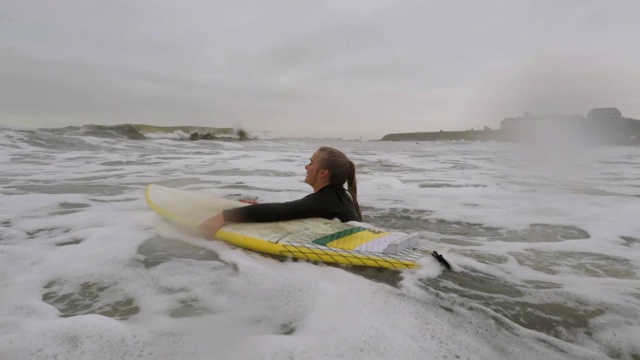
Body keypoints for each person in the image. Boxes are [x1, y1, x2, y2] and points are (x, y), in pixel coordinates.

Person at [199, 146, 362, 239]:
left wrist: (224, 216)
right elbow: (295, 209)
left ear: (323, 173)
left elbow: (283, 210)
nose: (306, 167)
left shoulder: (327, 200)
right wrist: (261, 208)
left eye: (311, 163)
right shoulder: (338, 197)